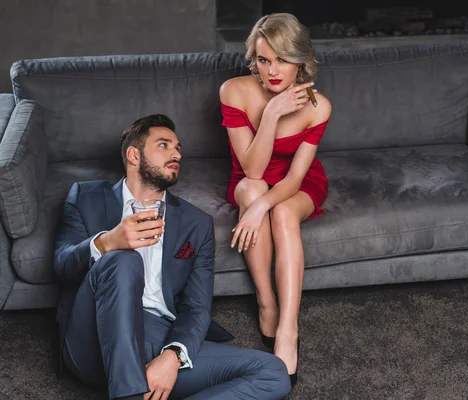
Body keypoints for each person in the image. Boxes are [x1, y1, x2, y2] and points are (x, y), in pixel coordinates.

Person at [53, 114, 291, 400]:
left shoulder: (196, 223)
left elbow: (197, 307)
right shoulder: (85, 196)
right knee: (124, 259)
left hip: (159, 334)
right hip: (93, 335)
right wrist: (107, 243)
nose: (176, 153)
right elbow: (61, 266)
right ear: (133, 155)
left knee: (272, 373)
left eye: (178, 147)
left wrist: (173, 355)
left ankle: (138, 380)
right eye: (163, 145)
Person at [219, 13, 332, 386]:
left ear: (300, 60)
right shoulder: (233, 91)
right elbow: (251, 171)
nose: (272, 71)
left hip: (294, 185)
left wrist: (261, 209)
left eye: (282, 59)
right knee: (252, 190)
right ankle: (265, 301)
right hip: (253, 176)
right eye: (264, 60)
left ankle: (288, 329)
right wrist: (271, 113)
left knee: (281, 211)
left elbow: (296, 177)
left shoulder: (319, 107)